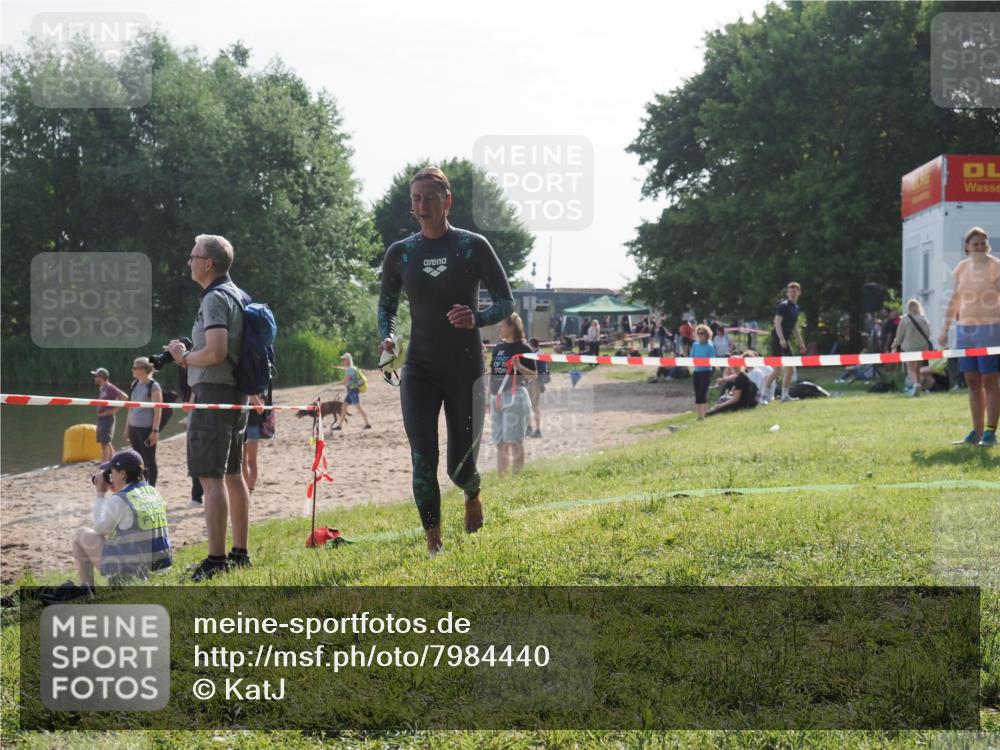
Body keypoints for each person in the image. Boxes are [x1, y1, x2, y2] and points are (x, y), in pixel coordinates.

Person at [378, 166, 515, 556]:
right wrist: (387, 336)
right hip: (419, 368)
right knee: (423, 459)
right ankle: (434, 544)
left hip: (465, 368)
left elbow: (506, 302)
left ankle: (472, 492)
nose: (422, 206)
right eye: (416, 199)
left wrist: (478, 317)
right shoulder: (401, 253)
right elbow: (386, 307)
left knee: (459, 467)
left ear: (447, 201)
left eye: (430, 198)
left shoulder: (472, 246)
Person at [166, 234, 254, 579]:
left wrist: (183, 358)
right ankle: (240, 553)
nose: (189, 261)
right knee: (233, 473)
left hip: (215, 392)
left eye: (193, 256)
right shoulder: (239, 295)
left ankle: (216, 560)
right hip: (236, 393)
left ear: (208, 263)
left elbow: (215, 352)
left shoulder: (215, 298)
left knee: (210, 476)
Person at [71, 449, 172, 589]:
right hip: (161, 569)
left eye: (111, 472)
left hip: (134, 575)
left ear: (123, 474)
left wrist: (100, 494)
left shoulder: (121, 499)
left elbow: (99, 529)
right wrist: (118, 488)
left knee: (80, 534)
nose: (110, 476)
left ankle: (87, 588)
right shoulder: (153, 492)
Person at [939, 226, 1000, 447]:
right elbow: (954, 300)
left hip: (991, 328)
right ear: (967, 247)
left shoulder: (996, 267)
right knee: (972, 381)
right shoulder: (961, 268)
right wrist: (944, 329)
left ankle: (990, 433)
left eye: (983, 243)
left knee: (989, 380)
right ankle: (976, 431)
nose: (980, 247)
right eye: (975, 244)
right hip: (965, 329)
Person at [489, 314, 537, 474]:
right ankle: (501, 478)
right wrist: (488, 398)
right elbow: (493, 373)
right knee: (499, 441)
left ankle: (517, 478)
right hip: (496, 398)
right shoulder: (498, 348)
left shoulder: (524, 348)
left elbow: (533, 376)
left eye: (501, 325)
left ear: (512, 327)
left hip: (515, 397)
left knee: (514, 441)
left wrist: (520, 367)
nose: (498, 328)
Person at [762, 282, 806, 403]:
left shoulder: (796, 308)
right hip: (778, 340)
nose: (792, 293)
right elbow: (777, 322)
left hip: (786, 341)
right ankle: (763, 396)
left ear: (799, 293)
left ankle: (784, 396)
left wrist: (801, 343)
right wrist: (781, 338)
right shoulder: (783, 306)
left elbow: (794, 327)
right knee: (776, 370)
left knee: (790, 369)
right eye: (790, 291)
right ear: (787, 293)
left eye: (795, 291)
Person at [125, 357, 163, 485]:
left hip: (146, 429)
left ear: (142, 370)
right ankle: (141, 484)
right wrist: (127, 428)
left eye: (135, 368)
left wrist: (155, 431)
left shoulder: (154, 386)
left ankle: (151, 487)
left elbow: (158, 411)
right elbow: (130, 408)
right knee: (138, 459)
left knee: (149, 460)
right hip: (134, 428)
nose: (132, 370)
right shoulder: (134, 384)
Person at [892, 298, 934, 397]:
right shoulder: (923, 318)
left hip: (909, 347)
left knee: (910, 368)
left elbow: (899, 335)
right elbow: (928, 334)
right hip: (922, 347)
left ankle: (915, 385)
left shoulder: (905, 319)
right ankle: (919, 387)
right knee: (917, 368)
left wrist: (894, 345)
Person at [91, 368, 128, 463]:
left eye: (96, 376)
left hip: (107, 418)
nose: (94, 378)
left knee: (105, 443)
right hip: (101, 418)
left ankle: (104, 463)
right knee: (106, 442)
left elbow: (125, 397)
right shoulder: (102, 387)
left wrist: (113, 410)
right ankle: (112, 460)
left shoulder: (110, 387)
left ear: (101, 377)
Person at [333, 352, 372, 431]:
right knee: (343, 407)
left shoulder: (350, 369)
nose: (343, 361)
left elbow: (346, 380)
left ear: (348, 360)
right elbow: (348, 381)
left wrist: (336, 384)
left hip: (353, 391)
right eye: (342, 359)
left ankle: (367, 423)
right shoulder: (350, 369)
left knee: (358, 407)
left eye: (344, 359)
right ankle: (339, 426)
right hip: (351, 391)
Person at [691, 324, 715, 420]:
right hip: (697, 372)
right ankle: (699, 416)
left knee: (702, 393)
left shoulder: (710, 346)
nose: (700, 335)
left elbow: (712, 360)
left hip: (706, 372)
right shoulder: (695, 345)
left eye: (702, 333)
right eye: (698, 333)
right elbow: (691, 357)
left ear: (707, 335)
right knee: (697, 394)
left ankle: (705, 415)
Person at [526, 338, 548, 438]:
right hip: (530, 381)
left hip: (536, 382)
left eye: (529, 345)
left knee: (535, 406)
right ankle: (529, 427)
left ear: (532, 345)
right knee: (528, 405)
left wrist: (542, 383)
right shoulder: (531, 354)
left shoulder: (540, 354)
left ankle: (538, 429)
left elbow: (543, 370)